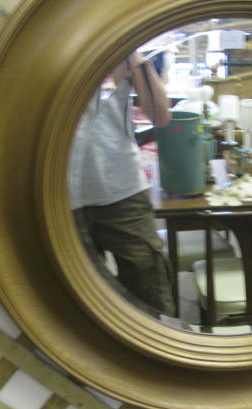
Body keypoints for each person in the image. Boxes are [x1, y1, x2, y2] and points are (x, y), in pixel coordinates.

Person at [69, 51, 176, 318]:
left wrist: (134, 58)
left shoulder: (119, 51)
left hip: (123, 189)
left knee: (151, 293)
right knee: (77, 298)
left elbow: (160, 116)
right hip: (60, 195)